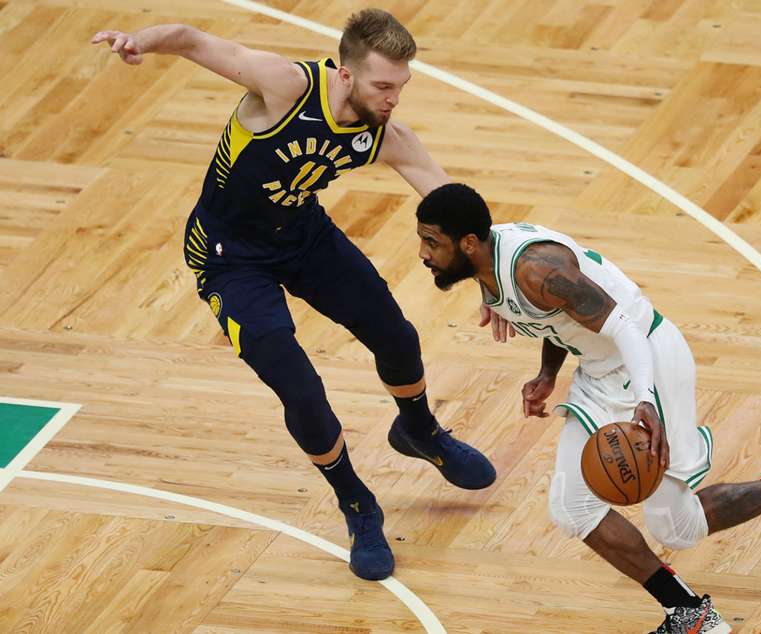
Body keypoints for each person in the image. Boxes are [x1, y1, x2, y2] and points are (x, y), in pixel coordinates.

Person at [90, 10, 497, 582]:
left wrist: (493, 281)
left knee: (397, 337)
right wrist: (138, 40)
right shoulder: (285, 87)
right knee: (302, 390)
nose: (393, 99)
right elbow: (191, 39)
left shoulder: (384, 133)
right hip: (229, 259)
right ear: (346, 74)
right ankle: (357, 502)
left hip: (304, 237)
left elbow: (456, 208)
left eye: (401, 86)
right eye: (383, 86)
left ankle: (419, 431)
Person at [414, 183, 761, 634]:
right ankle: (689, 613)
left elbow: (624, 328)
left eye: (432, 242)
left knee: (676, 527)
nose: (422, 253)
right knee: (572, 509)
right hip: (600, 371)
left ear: (469, 242)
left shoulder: (537, 269)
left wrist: (645, 399)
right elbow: (559, 319)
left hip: (648, 361)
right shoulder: (487, 265)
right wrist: (548, 373)